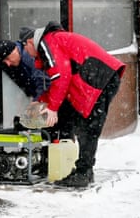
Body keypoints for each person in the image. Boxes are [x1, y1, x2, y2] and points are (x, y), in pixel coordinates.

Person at [23, 21, 126, 187]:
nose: (28, 55)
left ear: (29, 42)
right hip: (98, 76)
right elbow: (58, 82)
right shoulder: (53, 41)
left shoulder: (47, 42)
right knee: (73, 119)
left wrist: (53, 109)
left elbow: (61, 76)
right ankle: (71, 167)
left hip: (98, 76)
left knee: (89, 126)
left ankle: (83, 173)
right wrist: (42, 103)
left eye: (26, 50)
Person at [0, 27, 50, 101]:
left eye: (7, 58)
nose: (8, 63)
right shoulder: (18, 61)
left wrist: (36, 101)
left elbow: (43, 82)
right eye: (5, 61)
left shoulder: (28, 55)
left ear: (14, 50)